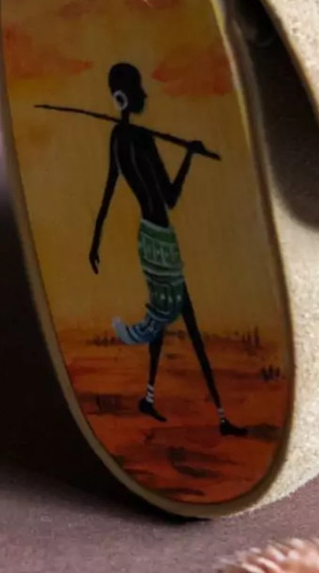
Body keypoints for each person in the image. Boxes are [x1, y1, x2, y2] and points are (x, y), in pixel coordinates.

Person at [88, 62, 246, 435]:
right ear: (125, 96)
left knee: (162, 317)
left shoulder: (118, 137)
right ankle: (222, 417)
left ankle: (149, 397)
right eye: (139, 89)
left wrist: (95, 240)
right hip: (160, 239)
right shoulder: (141, 140)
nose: (146, 94)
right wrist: (189, 156)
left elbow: (109, 189)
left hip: (147, 238)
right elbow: (170, 198)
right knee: (187, 319)